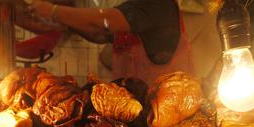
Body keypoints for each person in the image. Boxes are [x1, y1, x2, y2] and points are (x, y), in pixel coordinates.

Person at [24, 0, 195, 85]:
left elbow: (106, 23)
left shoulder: (156, 3)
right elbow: (100, 36)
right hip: (137, 105)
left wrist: (53, 11)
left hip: (166, 107)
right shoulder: (134, 7)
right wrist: (67, 24)